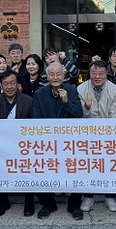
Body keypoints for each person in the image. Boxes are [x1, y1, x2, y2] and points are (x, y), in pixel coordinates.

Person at [33, 62, 84, 219]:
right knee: (40, 171)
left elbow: (78, 114)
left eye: (58, 74)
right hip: (47, 141)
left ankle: (74, 205)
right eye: (52, 74)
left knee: (76, 171)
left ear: (63, 76)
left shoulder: (72, 90)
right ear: (47, 76)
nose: (55, 77)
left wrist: (66, 101)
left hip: (69, 142)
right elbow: (35, 119)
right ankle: (48, 204)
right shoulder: (39, 94)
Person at [0, 69, 35, 217]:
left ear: (17, 84)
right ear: (1, 85)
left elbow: (35, 125)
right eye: (5, 83)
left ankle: (29, 202)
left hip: (24, 146)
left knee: (28, 172)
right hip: (1, 146)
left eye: (12, 83)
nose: (9, 87)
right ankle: (3, 202)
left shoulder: (28, 100)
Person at [76, 60, 116, 213]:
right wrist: (86, 108)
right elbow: (80, 116)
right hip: (87, 133)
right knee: (89, 165)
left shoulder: (114, 89)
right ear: (89, 74)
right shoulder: (81, 89)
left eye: (101, 73)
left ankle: (110, 196)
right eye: (94, 73)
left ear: (106, 74)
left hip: (107, 132)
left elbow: (113, 114)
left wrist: (109, 135)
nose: (97, 76)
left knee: (109, 165)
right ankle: (88, 196)